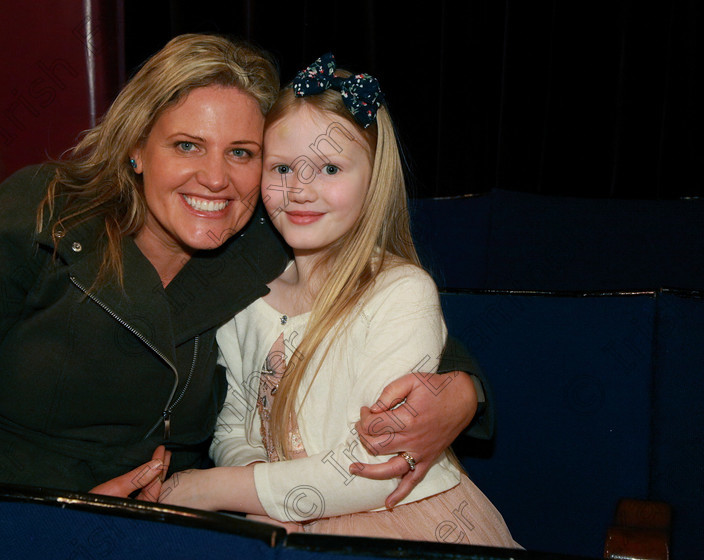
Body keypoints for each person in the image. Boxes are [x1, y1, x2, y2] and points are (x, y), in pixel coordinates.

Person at [0, 35, 486, 499]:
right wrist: (69, 487)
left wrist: (462, 393)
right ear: (136, 146)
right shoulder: (48, 211)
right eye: (187, 145)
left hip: (178, 527)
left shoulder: (263, 240)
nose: (215, 179)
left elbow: (384, 304)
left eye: (242, 152)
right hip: (9, 514)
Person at [151, 54, 519, 547]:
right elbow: (234, 423)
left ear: (374, 180)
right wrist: (258, 491)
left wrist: (206, 488)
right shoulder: (248, 297)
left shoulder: (400, 293)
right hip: (282, 521)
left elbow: (376, 466)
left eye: (329, 167)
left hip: (399, 521)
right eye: (282, 167)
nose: (300, 190)